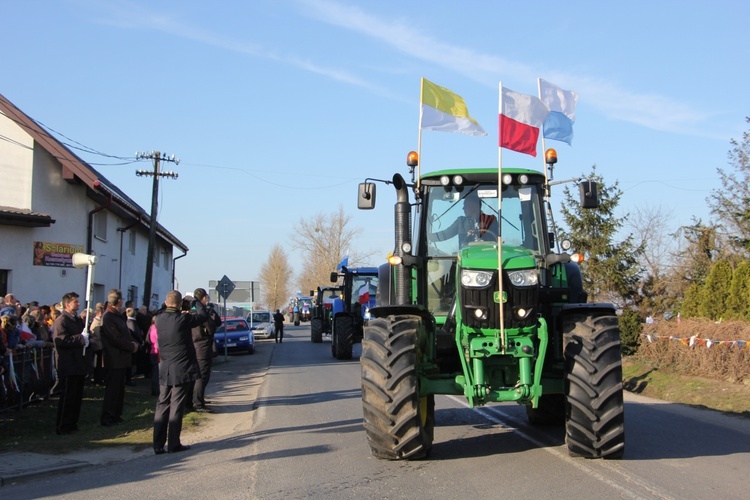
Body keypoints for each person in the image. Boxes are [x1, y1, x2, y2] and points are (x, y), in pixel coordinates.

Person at [153, 290, 208, 455]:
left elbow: (163, 311)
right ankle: (174, 443)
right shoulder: (183, 319)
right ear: (178, 304)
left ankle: (157, 444)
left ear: (165, 302)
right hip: (181, 368)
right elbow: (203, 315)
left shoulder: (159, 319)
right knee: (176, 405)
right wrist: (195, 302)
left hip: (165, 368)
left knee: (162, 404)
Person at [100, 289, 139, 427]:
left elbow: (125, 334)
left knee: (119, 390)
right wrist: (130, 346)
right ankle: (108, 416)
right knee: (112, 390)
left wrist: (133, 343)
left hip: (121, 358)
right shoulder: (109, 317)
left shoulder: (117, 316)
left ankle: (116, 414)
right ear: (119, 301)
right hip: (114, 358)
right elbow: (116, 338)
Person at [52, 292, 87, 435]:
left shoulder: (77, 320)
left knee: (77, 395)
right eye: (75, 302)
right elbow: (62, 340)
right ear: (67, 304)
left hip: (78, 363)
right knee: (68, 396)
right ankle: (63, 425)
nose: (78, 304)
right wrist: (80, 338)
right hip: (68, 364)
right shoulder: (62, 321)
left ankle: (73, 422)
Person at [190, 288, 222, 412]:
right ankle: (198, 403)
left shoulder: (192, 310)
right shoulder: (202, 313)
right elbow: (211, 328)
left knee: (198, 375)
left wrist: (212, 311)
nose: (208, 300)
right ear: (203, 298)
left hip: (194, 345)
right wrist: (210, 315)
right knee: (202, 376)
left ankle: (198, 398)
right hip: (202, 346)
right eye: (207, 297)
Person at [430, 194, 498, 248]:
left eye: (465, 205)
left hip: (487, 258)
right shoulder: (461, 222)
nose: (463, 208)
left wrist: (479, 233)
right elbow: (445, 234)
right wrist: (428, 237)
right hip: (465, 259)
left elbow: (495, 239)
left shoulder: (490, 220)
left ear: (474, 206)